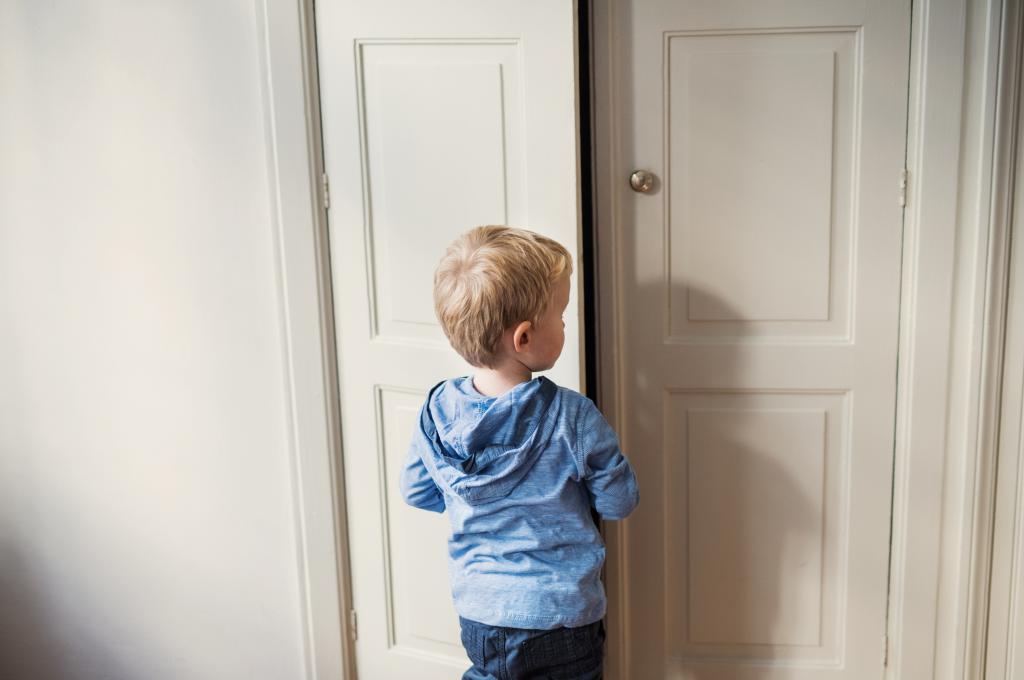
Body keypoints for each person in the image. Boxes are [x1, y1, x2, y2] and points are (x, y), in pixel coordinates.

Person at [400, 225, 640, 680]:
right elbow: (618, 502)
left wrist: (476, 500)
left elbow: (416, 490)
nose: (566, 324)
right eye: (562, 315)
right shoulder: (572, 416)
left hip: (482, 612)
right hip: (562, 614)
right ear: (525, 338)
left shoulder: (435, 413)